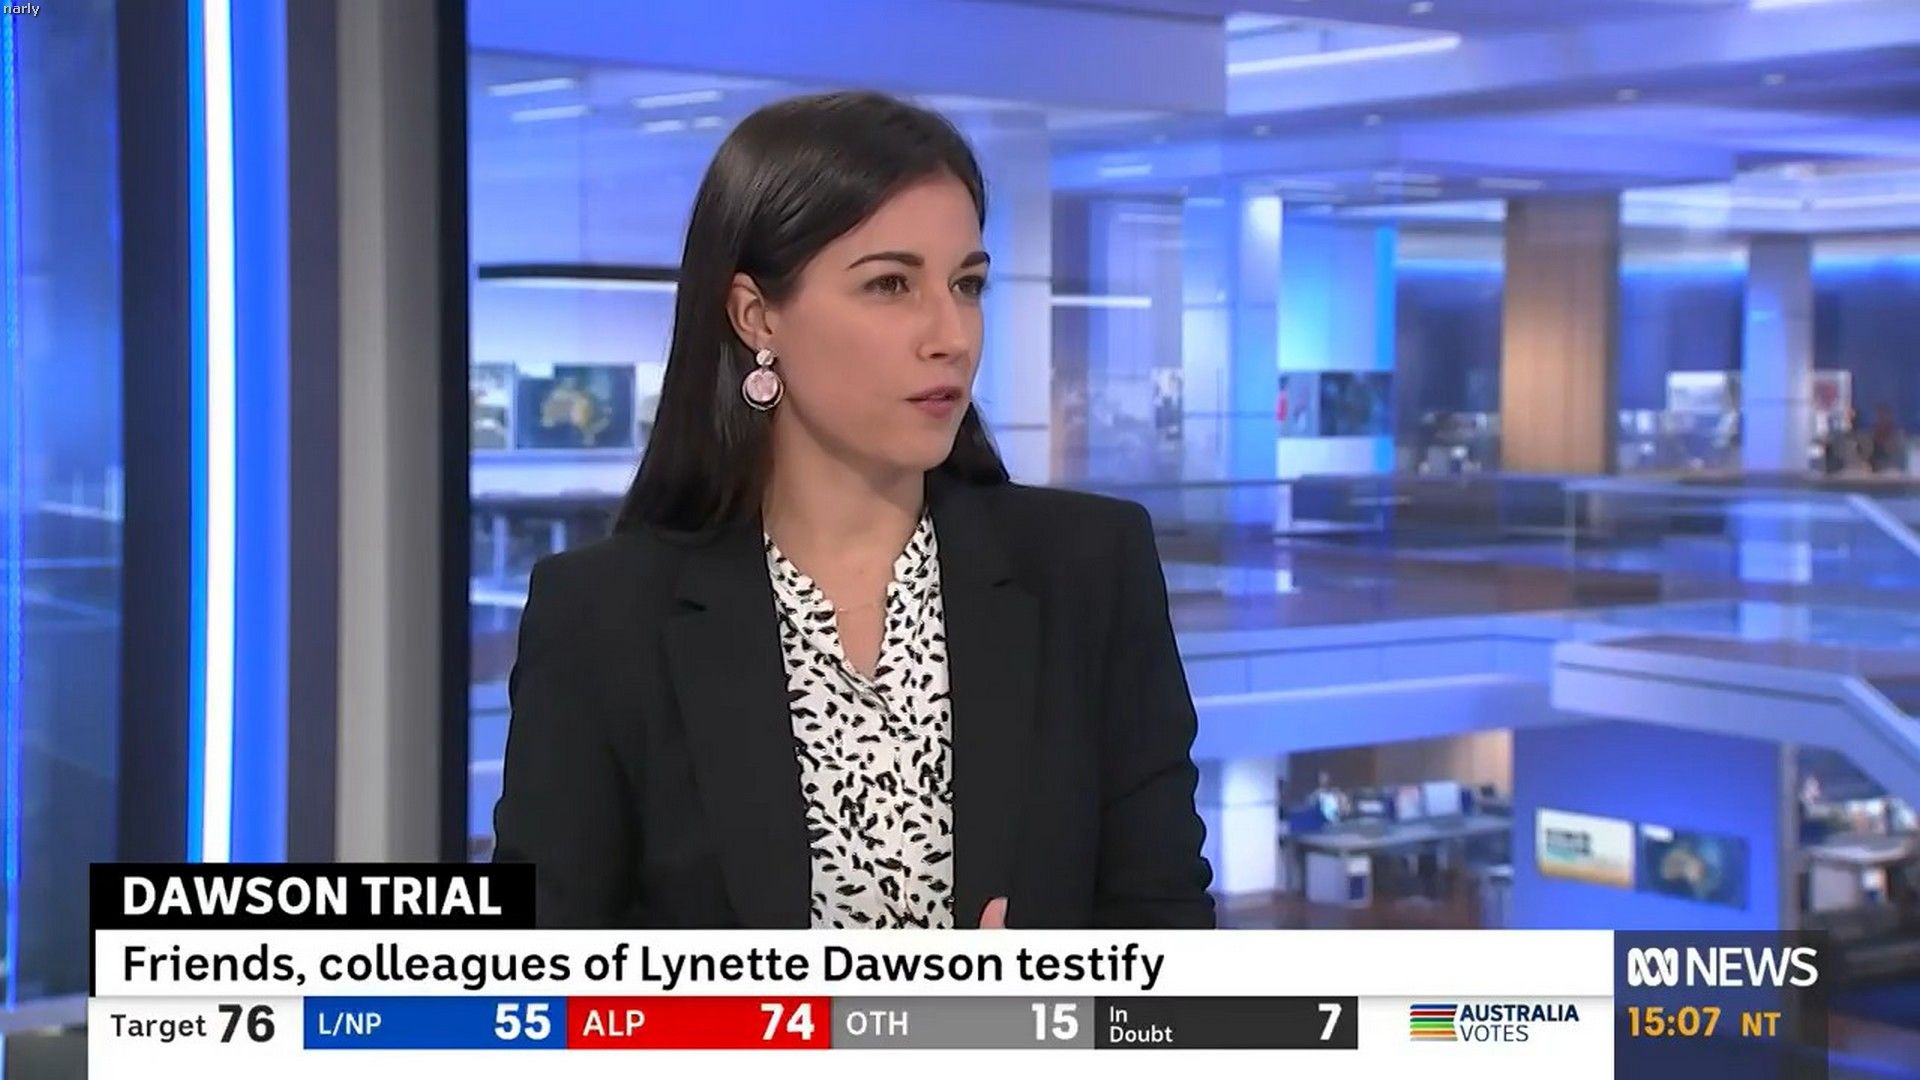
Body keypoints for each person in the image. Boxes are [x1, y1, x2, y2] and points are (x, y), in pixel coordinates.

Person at [491, 91, 1215, 931]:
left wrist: (1042, 1003)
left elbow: (1167, 939)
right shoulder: (602, 619)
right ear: (756, 315)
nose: (952, 335)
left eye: (967, 284)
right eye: (890, 285)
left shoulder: (1089, 570)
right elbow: (539, 974)